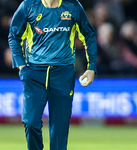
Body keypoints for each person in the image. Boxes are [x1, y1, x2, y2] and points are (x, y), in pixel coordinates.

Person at [8, 0, 97, 150]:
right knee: (30, 122)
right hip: (34, 73)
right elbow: (14, 36)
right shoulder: (28, 5)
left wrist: (91, 67)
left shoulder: (72, 6)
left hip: (63, 73)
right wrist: (22, 67)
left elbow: (88, 34)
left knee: (59, 129)